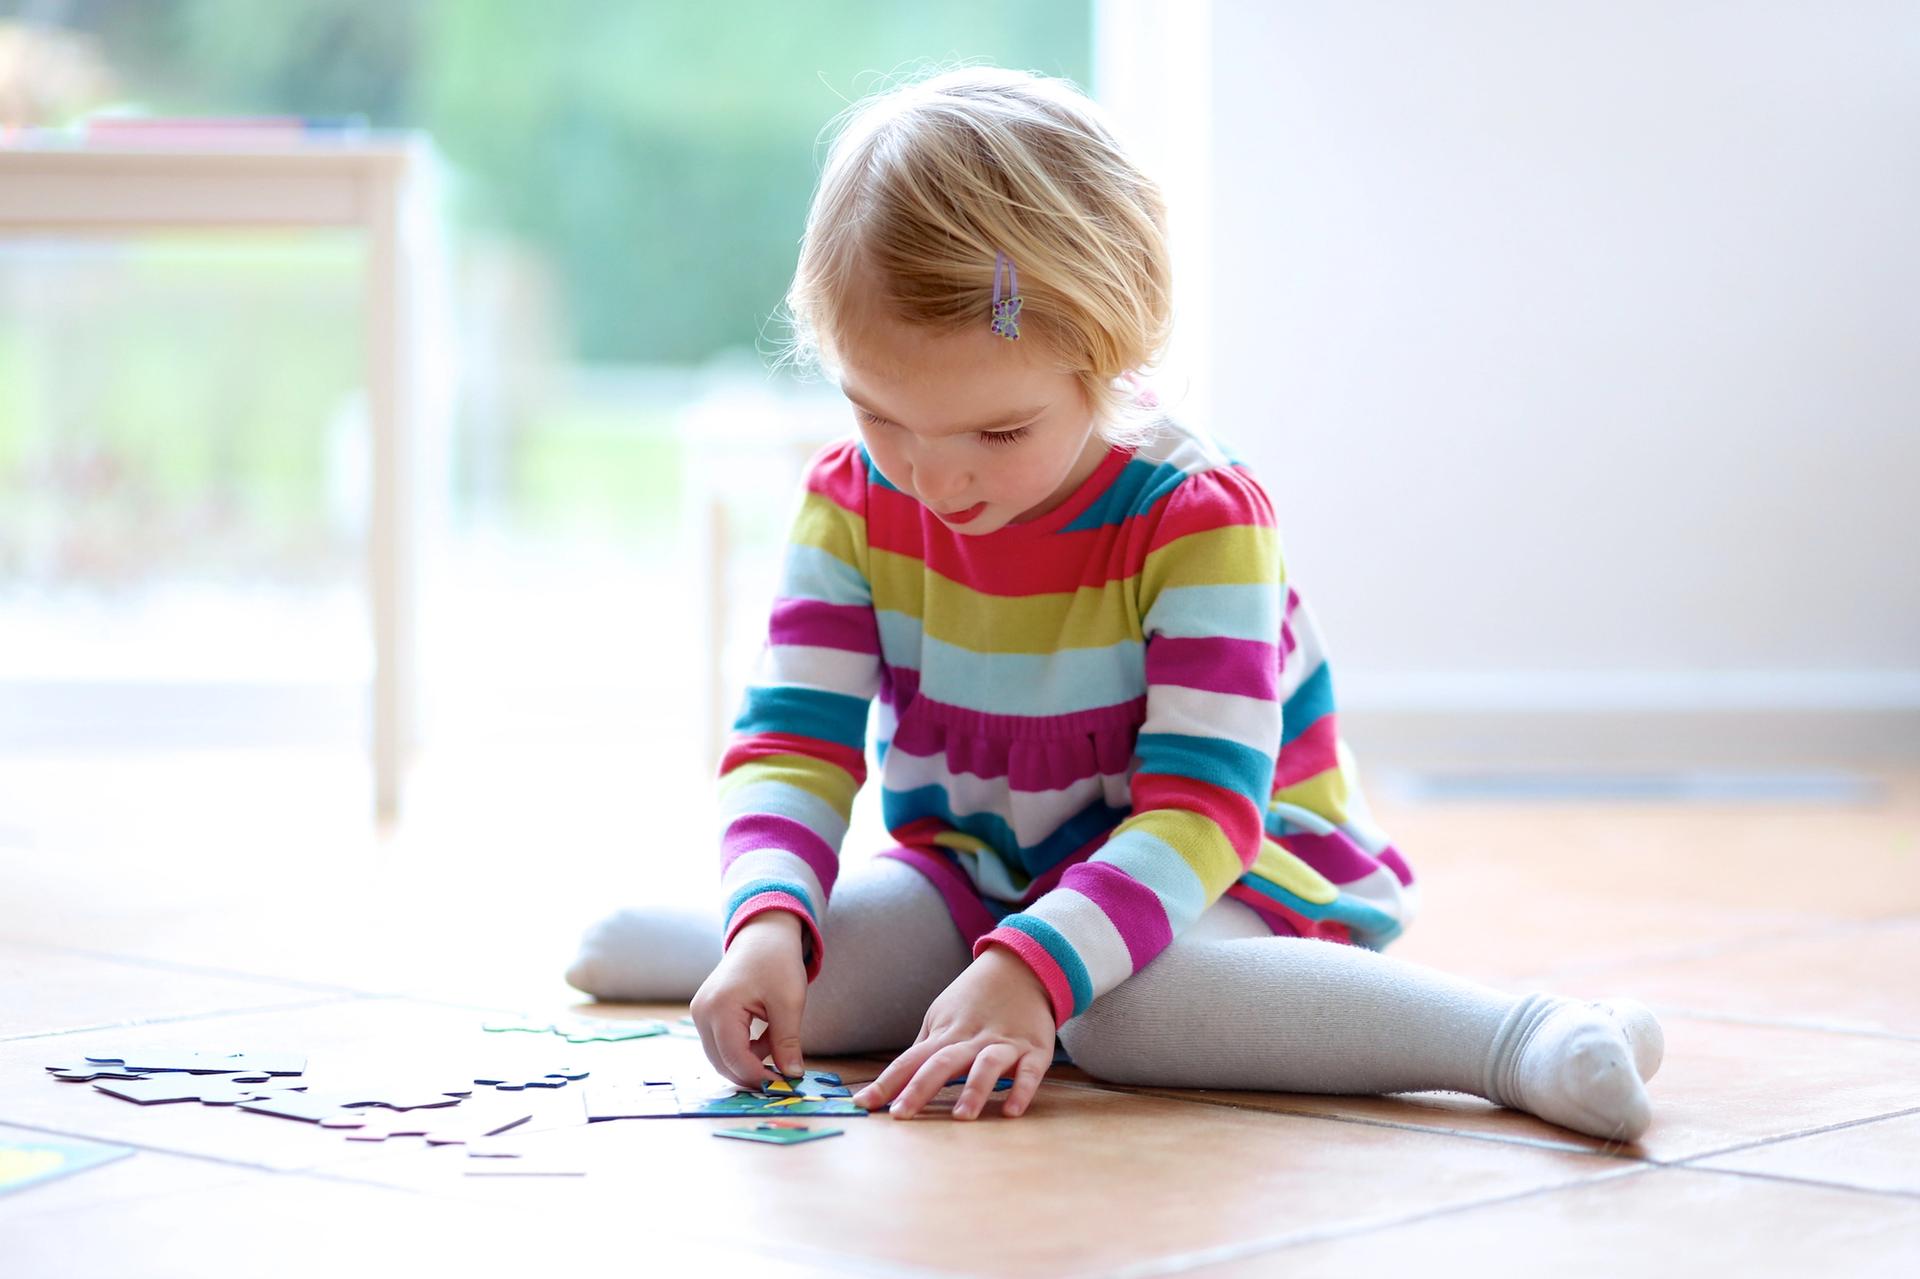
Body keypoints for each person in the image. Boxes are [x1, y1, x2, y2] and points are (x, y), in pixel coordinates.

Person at [566, 65, 1663, 1142]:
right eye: (880, 414)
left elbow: (1202, 811)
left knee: (1120, 1015)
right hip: (990, 873)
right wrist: (770, 919)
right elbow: (791, 747)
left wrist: (1034, 970)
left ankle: (1517, 1035)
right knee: (822, 983)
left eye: (998, 432)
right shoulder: (852, 502)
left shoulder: (1197, 515)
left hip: (1232, 865)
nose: (935, 480)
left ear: (1114, 364)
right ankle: (747, 931)